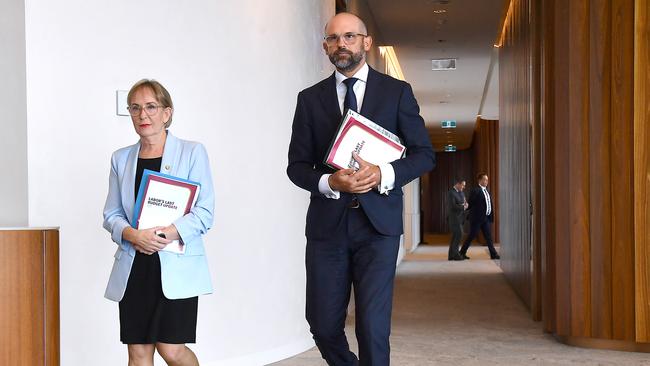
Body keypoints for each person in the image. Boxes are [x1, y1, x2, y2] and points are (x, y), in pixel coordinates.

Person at [287, 12, 435, 366]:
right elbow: (296, 167)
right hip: (327, 228)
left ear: (366, 43)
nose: (342, 44)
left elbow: (424, 155)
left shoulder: (397, 93)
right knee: (322, 325)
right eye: (335, 38)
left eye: (350, 37)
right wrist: (329, 182)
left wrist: (383, 173)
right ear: (325, 46)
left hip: (378, 228)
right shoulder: (309, 99)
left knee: (372, 327)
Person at [103, 79, 214, 366]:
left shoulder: (192, 152)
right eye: (135, 108)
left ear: (167, 112)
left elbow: (205, 212)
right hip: (135, 265)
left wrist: (167, 233)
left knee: (172, 350)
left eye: (151, 106)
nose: (143, 115)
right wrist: (131, 234)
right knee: (138, 352)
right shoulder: (121, 159)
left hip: (174, 264)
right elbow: (111, 214)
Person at [459, 173, 500, 260]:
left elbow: (488, 204)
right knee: (471, 236)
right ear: (480, 180)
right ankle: (461, 252)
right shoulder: (475, 190)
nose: (486, 181)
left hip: (486, 218)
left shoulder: (487, 191)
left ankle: (493, 254)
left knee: (489, 237)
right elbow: (471, 203)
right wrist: (465, 206)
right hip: (477, 219)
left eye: (487, 180)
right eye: (484, 179)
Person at [447, 179, 468, 261]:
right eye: (462, 185)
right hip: (454, 218)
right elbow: (452, 206)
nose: (464, 187)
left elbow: (464, 202)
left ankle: (451, 255)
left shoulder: (461, 192)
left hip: (460, 218)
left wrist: (465, 204)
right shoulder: (451, 193)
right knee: (459, 234)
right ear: (457, 184)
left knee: (456, 236)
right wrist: (463, 206)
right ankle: (455, 255)